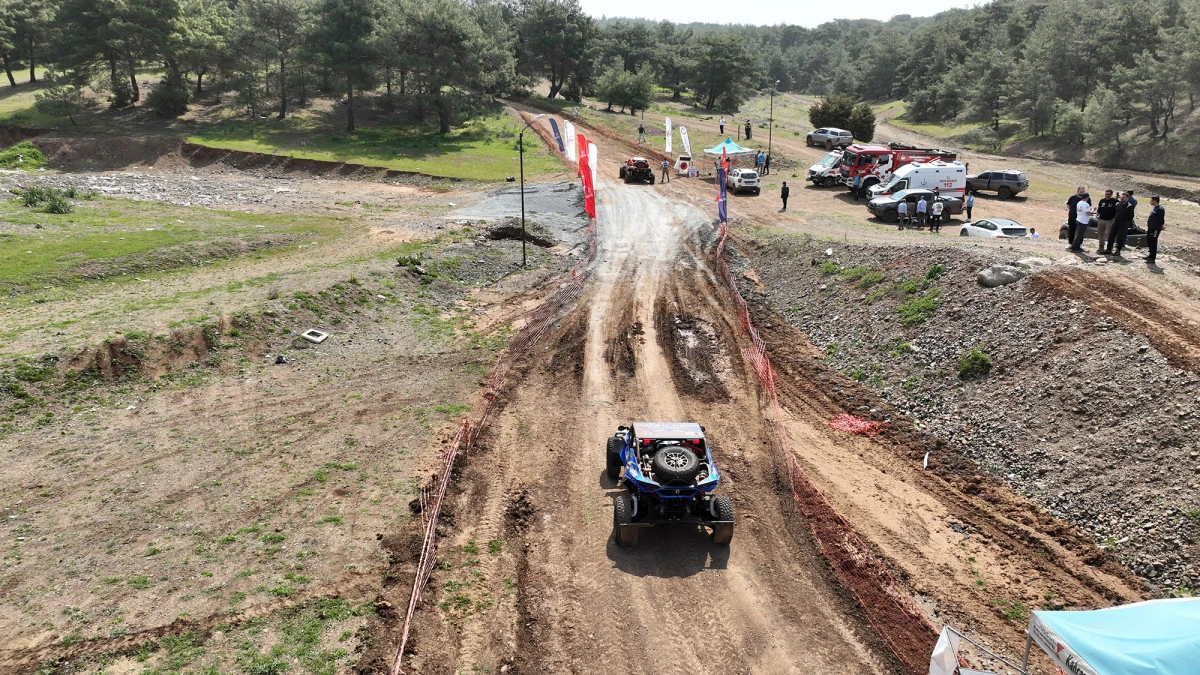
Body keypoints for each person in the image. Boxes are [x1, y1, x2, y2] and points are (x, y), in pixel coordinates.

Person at [1107, 191, 1134, 256]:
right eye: (1121, 197)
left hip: (1123, 224)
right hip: (1115, 222)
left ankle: (1118, 250)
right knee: (1111, 236)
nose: (1122, 199)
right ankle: (1109, 249)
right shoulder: (1117, 204)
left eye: (1124, 197)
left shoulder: (1129, 206)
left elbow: (1130, 217)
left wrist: (1125, 222)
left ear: (1127, 198)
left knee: (1120, 238)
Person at [1094, 189, 1118, 254]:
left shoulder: (1115, 201)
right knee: (1100, 234)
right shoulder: (1102, 200)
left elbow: (1117, 211)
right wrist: (1097, 215)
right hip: (1101, 220)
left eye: (1108, 194)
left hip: (1110, 220)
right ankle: (1101, 247)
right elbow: (1099, 209)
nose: (1107, 195)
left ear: (1111, 194)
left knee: (1109, 235)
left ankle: (1109, 248)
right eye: (1106, 194)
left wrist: (1114, 219)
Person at [1145, 195, 1164, 265]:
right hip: (1151, 228)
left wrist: (1161, 226)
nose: (1150, 201)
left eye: (1151, 200)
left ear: (1154, 201)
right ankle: (1150, 255)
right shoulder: (1155, 208)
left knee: (1153, 242)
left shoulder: (1160, 209)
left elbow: (1161, 219)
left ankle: (1152, 258)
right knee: (1149, 241)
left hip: (1155, 229)